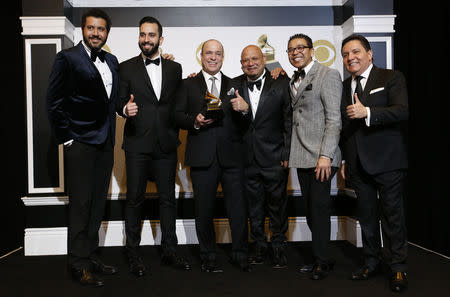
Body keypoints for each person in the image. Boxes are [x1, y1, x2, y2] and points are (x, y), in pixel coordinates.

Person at [46, 8, 119, 287]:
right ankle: (77, 264)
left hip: (105, 143)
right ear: (83, 29)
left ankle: (90, 256)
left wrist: (123, 108)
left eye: (101, 29)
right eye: (91, 28)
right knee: (81, 205)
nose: (96, 33)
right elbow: (53, 103)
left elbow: (112, 101)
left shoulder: (111, 60)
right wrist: (67, 138)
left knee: (98, 203)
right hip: (80, 143)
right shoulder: (67, 58)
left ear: (106, 33)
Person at [116, 16, 190, 277]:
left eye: (151, 35)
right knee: (134, 199)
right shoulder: (125, 68)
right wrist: (125, 109)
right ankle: (133, 252)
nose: (146, 39)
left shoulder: (174, 68)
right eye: (142, 35)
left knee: (168, 200)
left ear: (160, 38)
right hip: (137, 142)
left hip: (166, 143)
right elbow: (117, 100)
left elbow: (178, 101)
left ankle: (170, 249)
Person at [340, 34, 409, 292]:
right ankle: (371, 262)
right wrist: (347, 158)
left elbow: (402, 111)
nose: (351, 58)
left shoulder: (391, 77)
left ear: (370, 54)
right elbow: (346, 127)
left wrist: (367, 112)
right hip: (358, 164)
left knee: (393, 217)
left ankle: (398, 267)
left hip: (388, 161)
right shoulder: (346, 85)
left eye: (356, 52)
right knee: (367, 218)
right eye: (346, 54)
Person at [175, 39, 250, 273]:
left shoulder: (237, 83)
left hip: (233, 157)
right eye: (209, 53)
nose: (213, 57)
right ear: (201, 56)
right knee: (203, 209)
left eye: (218, 53)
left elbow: (248, 119)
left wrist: (245, 109)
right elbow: (176, 115)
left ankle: (240, 253)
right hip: (202, 156)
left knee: (237, 209)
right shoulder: (187, 84)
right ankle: (208, 255)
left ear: (223, 57)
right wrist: (193, 122)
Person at [277, 33, 342, 280]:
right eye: (291, 49)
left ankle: (322, 262)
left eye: (301, 48)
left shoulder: (328, 74)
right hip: (301, 155)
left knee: (319, 208)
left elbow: (334, 119)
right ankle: (322, 255)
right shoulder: (292, 78)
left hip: (321, 156)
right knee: (310, 210)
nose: (296, 52)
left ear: (312, 51)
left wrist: (326, 155)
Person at [229, 45, 292, 269]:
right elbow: (209, 92)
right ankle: (259, 245)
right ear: (241, 63)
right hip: (246, 158)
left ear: (264, 59)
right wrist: (194, 76)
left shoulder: (281, 81)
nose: (250, 63)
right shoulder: (234, 85)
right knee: (253, 207)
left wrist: (286, 152)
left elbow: (288, 120)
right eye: (245, 60)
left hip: (275, 156)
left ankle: (278, 246)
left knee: (278, 205)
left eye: (254, 58)